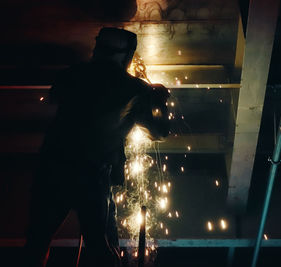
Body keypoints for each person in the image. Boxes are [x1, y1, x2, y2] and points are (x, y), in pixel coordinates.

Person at [22, 27, 170, 267]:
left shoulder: (71, 74)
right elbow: (159, 133)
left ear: (97, 49)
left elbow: (54, 96)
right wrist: (160, 100)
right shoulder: (135, 89)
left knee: (36, 245)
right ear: (127, 56)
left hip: (51, 169)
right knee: (100, 250)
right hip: (91, 177)